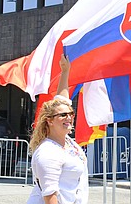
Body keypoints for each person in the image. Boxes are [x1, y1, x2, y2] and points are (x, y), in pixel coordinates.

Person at [27, 54, 88, 204]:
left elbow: (62, 98)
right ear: (50, 121)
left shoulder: (67, 142)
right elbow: (50, 196)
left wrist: (65, 71)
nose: (69, 117)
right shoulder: (48, 152)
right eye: (63, 115)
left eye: (71, 114)